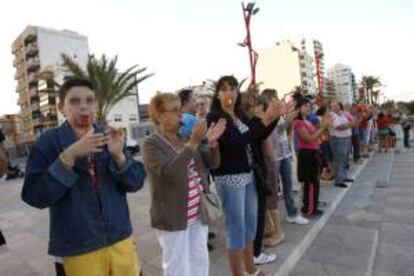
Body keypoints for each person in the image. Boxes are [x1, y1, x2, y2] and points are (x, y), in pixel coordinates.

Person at [22, 78, 146, 276]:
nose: (84, 107)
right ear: (62, 107)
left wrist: (119, 156)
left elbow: (136, 182)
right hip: (78, 248)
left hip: (120, 240)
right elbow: (34, 196)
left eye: (89, 100)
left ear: (96, 105)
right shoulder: (48, 142)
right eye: (75, 101)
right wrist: (69, 156)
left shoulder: (109, 135)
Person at [141, 92, 226, 276]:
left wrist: (212, 144)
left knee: (200, 262)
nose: (181, 114)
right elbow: (168, 174)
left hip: (197, 213)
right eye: (174, 110)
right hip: (173, 216)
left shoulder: (184, 137)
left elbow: (213, 163)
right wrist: (194, 142)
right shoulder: (150, 144)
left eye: (180, 109)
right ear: (159, 115)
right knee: (177, 268)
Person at [207, 76, 283, 276]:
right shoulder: (215, 116)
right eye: (223, 88)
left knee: (250, 226)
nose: (229, 92)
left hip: (249, 175)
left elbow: (258, 134)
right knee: (236, 231)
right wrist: (265, 120)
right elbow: (236, 142)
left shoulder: (239, 115)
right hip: (230, 179)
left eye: (232, 88)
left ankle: (250, 269)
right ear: (218, 94)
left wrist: (274, 118)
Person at [293, 95, 331, 217]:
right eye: (305, 106)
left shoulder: (307, 121)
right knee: (310, 182)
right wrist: (323, 127)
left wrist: (323, 124)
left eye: (310, 106)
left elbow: (315, 133)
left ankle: (312, 205)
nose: (308, 108)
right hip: (307, 154)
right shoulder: (298, 122)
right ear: (298, 108)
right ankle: (309, 209)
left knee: (315, 181)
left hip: (314, 153)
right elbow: (308, 139)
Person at [328, 101, 356, 188]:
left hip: (346, 138)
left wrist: (351, 124)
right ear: (331, 108)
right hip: (338, 139)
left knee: (344, 159)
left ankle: (343, 176)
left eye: (337, 105)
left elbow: (346, 123)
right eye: (333, 106)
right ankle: (338, 180)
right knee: (339, 159)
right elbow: (338, 127)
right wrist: (350, 124)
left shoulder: (341, 114)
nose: (336, 107)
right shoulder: (331, 115)